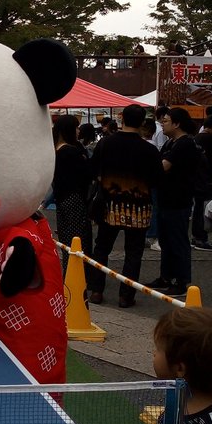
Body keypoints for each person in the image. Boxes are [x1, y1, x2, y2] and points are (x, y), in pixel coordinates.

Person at [85, 103, 161, 308]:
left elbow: (92, 170)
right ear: (142, 123)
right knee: (133, 253)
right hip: (139, 209)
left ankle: (97, 290)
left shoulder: (105, 144)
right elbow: (157, 179)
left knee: (102, 248)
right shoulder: (149, 149)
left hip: (109, 206)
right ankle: (126, 296)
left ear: (122, 119)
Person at [148, 106, 198, 297]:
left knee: (177, 240)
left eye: (166, 121)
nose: (162, 124)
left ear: (177, 124)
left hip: (178, 200)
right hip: (166, 198)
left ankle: (182, 281)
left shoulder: (185, 144)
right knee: (166, 239)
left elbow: (163, 167)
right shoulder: (171, 142)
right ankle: (166, 277)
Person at [50, 113, 92, 274]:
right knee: (78, 237)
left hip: (61, 199)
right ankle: (78, 273)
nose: (78, 131)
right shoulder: (72, 152)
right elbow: (86, 175)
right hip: (75, 198)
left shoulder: (55, 150)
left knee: (66, 237)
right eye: (76, 127)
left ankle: (69, 271)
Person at [191, 115, 212, 250]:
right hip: (205, 179)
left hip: (196, 177)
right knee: (203, 209)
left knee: (197, 209)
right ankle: (201, 238)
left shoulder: (196, 137)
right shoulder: (210, 138)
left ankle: (196, 237)